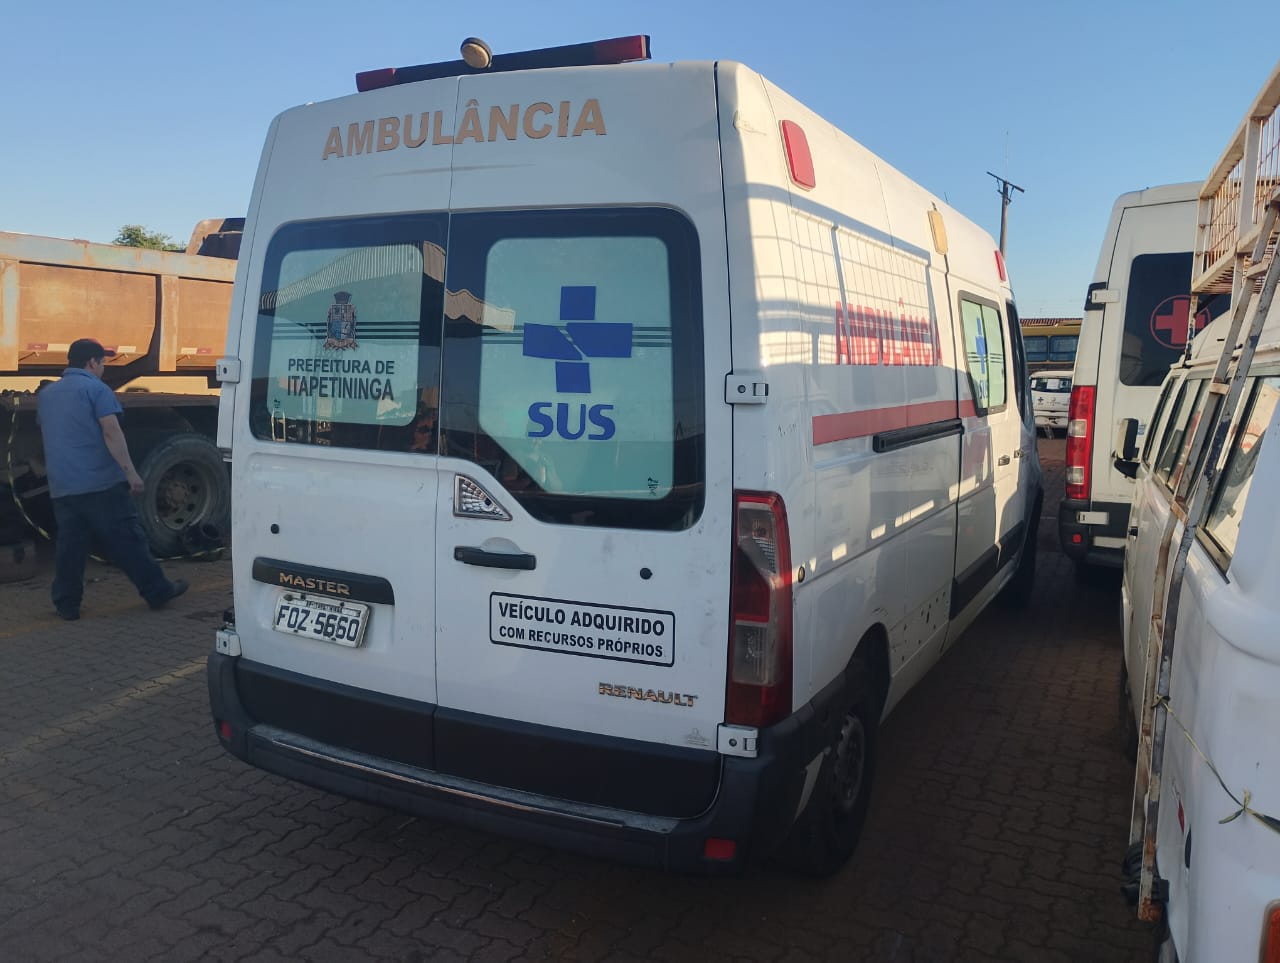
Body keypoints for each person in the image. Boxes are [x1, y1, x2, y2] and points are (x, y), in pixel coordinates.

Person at [36, 339, 188, 621]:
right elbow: (111, 432)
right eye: (103, 362)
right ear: (92, 362)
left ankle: (67, 605)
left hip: (63, 487)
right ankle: (157, 591)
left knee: (70, 547)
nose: (104, 368)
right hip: (100, 484)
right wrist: (131, 473)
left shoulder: (47, 395)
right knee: (128, 540)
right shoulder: (96, 389)